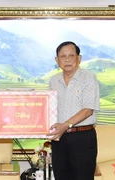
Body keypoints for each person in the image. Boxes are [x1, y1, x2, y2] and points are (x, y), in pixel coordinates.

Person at [47, 41, 100, 180]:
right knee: (61, 176)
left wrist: (66, 125)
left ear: (79, 58)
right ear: (57, 60)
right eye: (63, 56)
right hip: (60, 139)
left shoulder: (88, 78)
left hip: (82, 138)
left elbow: (88, 109)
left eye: (71, 55)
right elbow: (49, 109)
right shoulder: (53, 81)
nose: (67, 59)